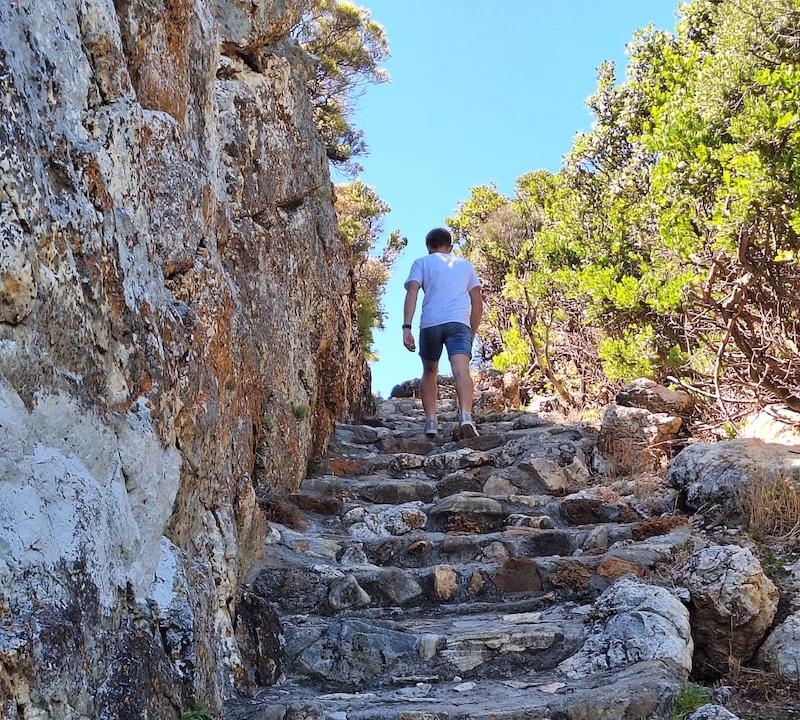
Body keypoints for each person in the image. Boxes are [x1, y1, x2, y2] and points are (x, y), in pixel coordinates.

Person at [402, 227, 483, 438]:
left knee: (429, 371)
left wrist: (406, 328)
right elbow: (477, 303)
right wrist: (471, 332)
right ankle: (465, 416)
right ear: (451, 247)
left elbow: (412, 293)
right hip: (459, 323)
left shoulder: (421, 263)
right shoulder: (465, 265)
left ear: (428, 247)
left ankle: (430, 422)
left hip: (431, 324)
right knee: (461, 371)